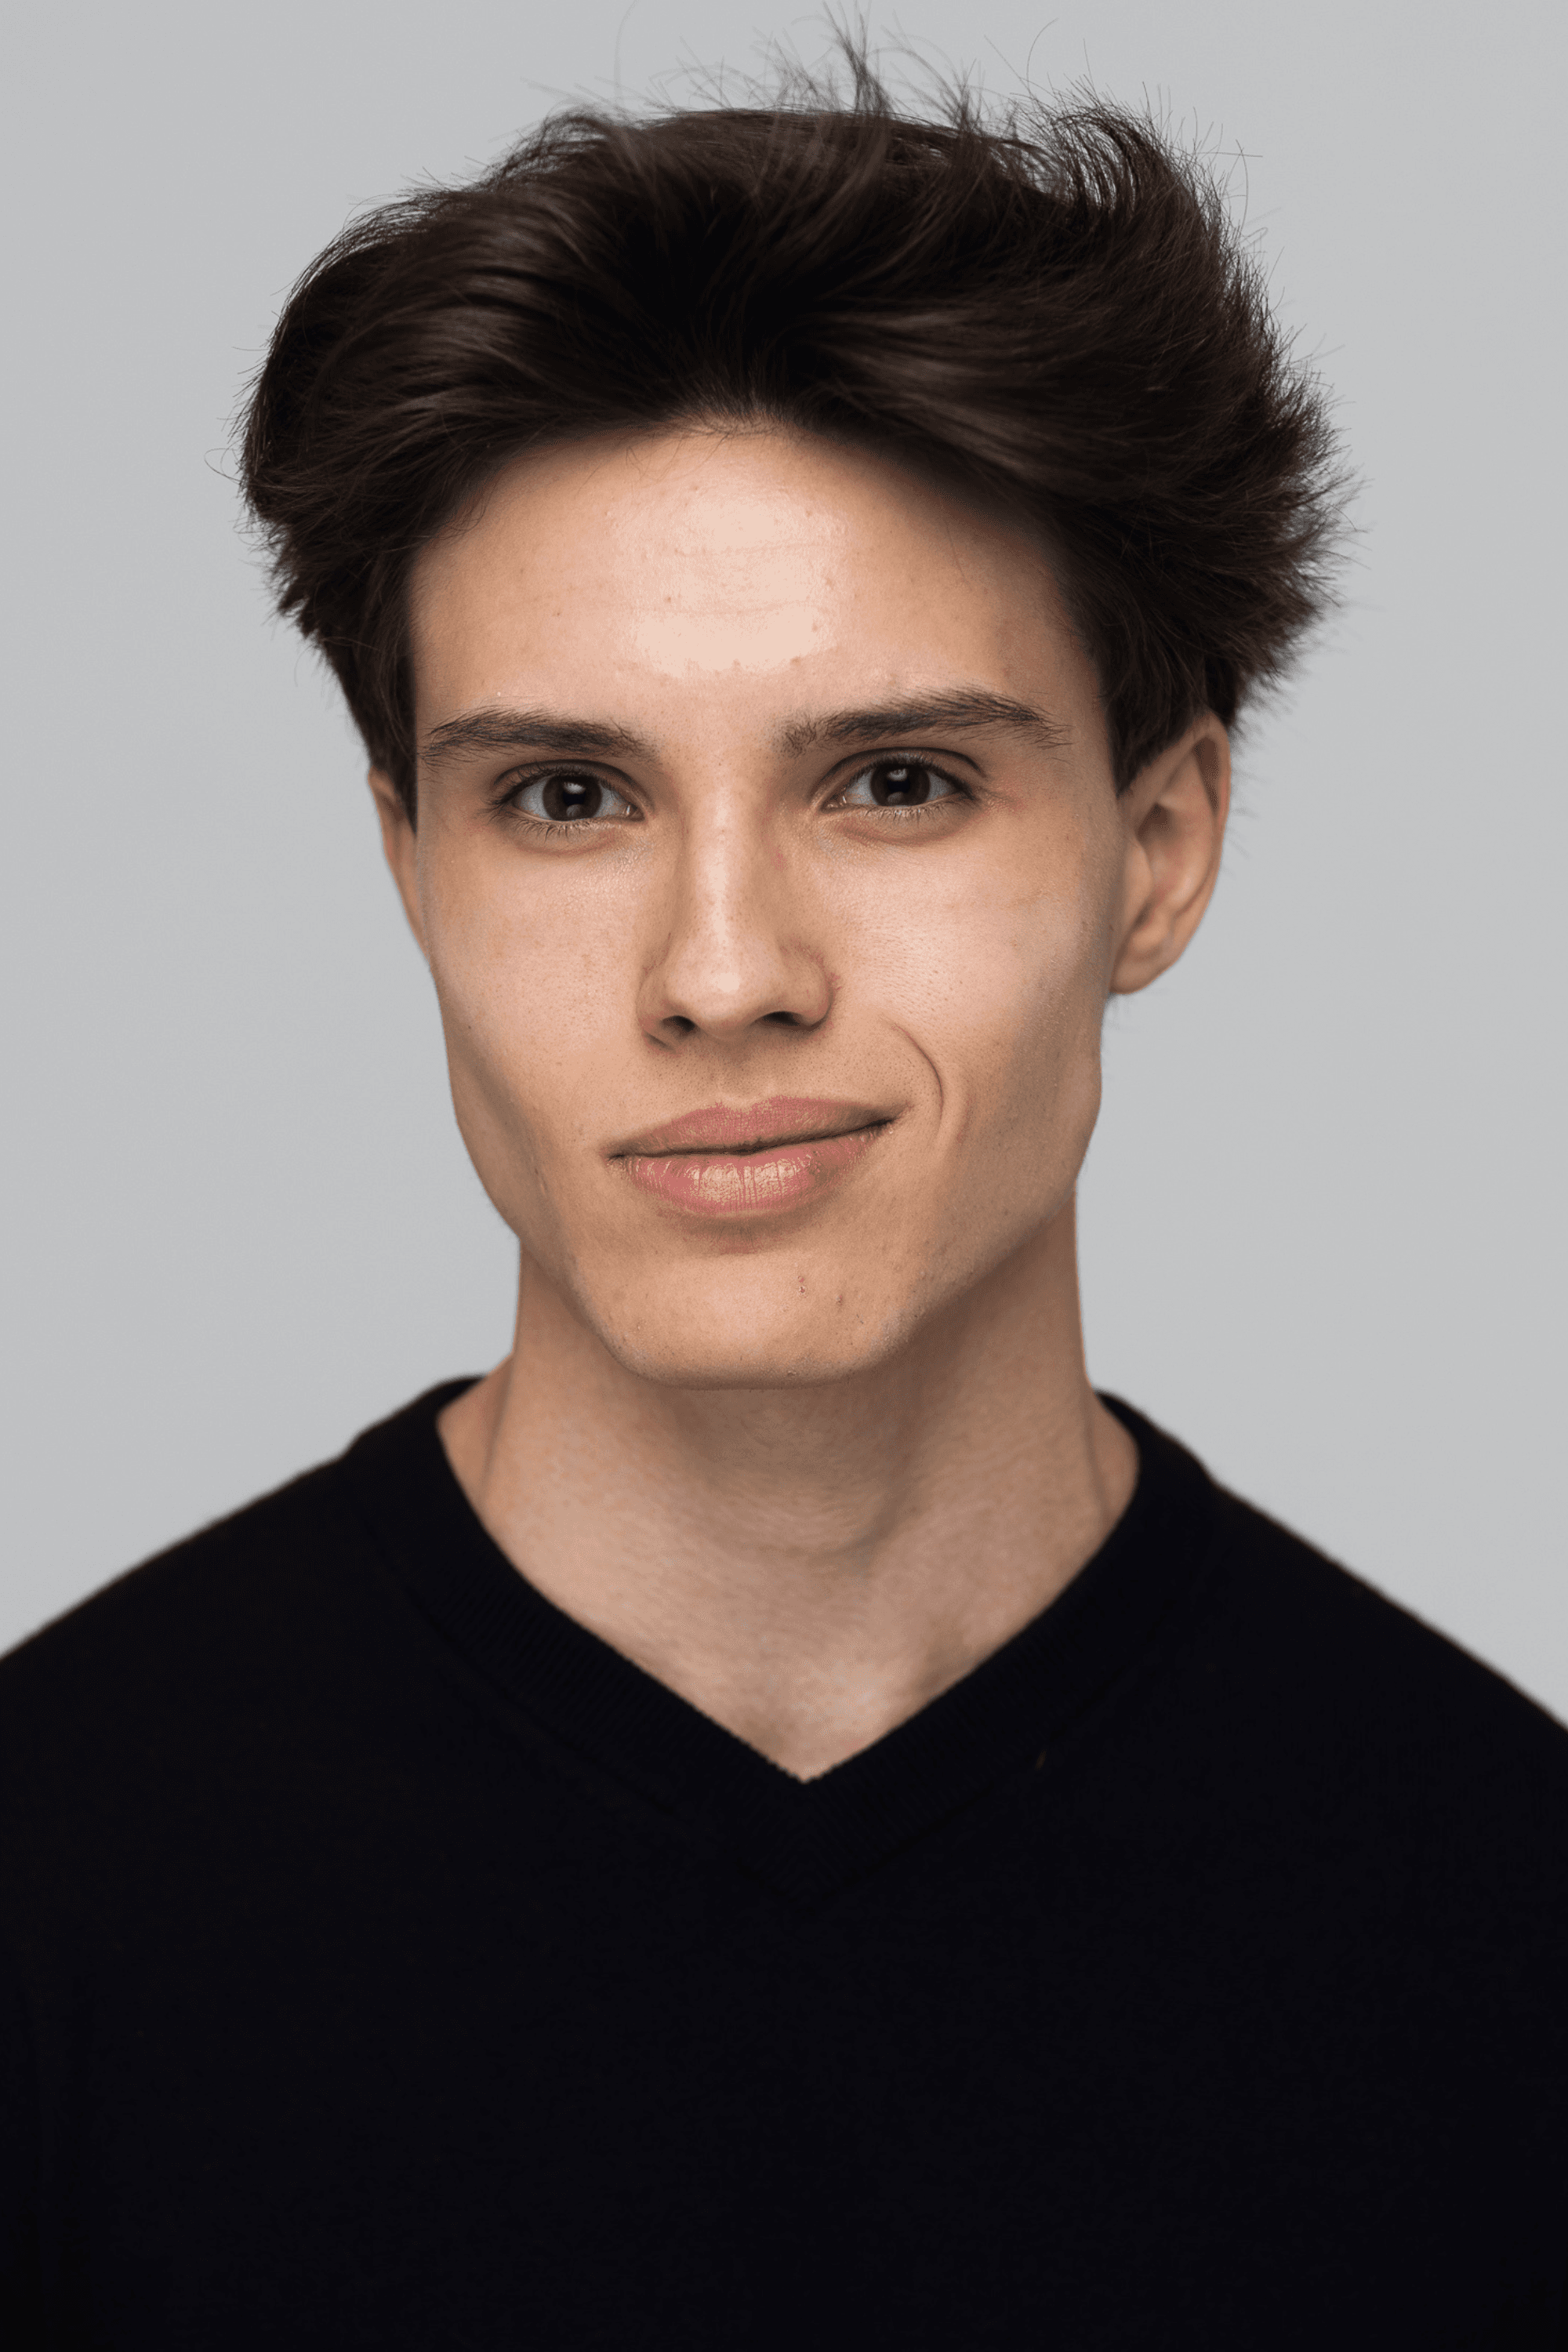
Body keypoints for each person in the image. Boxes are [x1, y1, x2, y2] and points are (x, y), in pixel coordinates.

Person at [2, 66, 1564, 2351]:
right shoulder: (51, 1895)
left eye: (897, 782)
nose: (723, 972)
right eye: (567, 797)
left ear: (1159, 849)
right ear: (410, 865)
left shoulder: (1512, 1937)